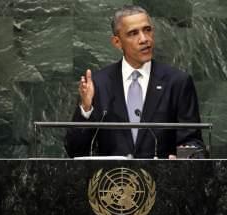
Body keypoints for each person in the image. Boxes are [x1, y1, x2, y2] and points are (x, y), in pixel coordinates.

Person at [65, 5, 204, 159]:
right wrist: (85, 109)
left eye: (147, 30)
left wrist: (184, 157)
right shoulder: (98, 84)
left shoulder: (177, 82)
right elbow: (75, 151)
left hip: (164, 179)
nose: (144, 39)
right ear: (117, 42)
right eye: (133, 33)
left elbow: (193, 142)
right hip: (113, 180)